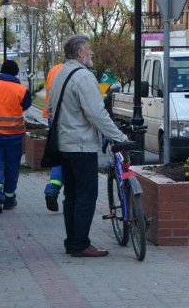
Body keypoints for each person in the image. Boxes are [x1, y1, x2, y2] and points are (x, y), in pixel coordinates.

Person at [48, 34, 128, 257]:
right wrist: (117, 136)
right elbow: (96, 113)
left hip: (64, 144)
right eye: (89, 49)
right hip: (81, 146)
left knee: (71, 196)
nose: (92, 53)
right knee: (86, 196)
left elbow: (51, 109)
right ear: (80, 52)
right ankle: (81, 244)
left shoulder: (60, 73)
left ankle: (72, 242)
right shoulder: (83, 76)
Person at [0, 60, 32, 213]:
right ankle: (9, 199)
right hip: (14, 135)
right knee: (12, 167)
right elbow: (26, 106)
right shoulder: (22, 90)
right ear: (16, 73)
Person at [42, 61, 64, 212]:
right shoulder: (80, 71)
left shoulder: (53, 70)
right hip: (72, 122)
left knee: (59, 155)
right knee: (72, 160)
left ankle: (52, 188)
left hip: (53, 118)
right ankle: (68, 200)